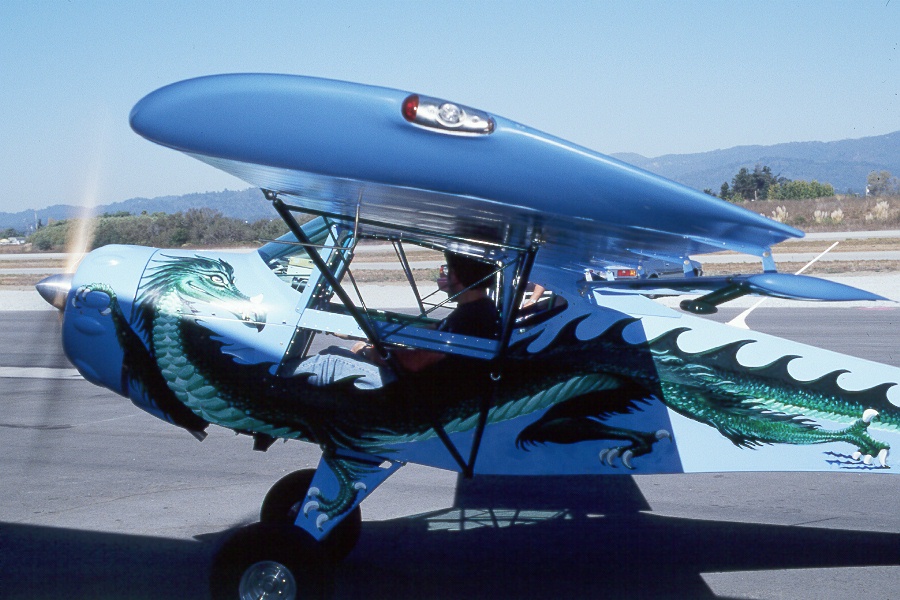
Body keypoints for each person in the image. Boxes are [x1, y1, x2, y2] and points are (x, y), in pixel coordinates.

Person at [294, 252, 500, 389]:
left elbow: (417, 361)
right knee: (337, 352)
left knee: (331, 362)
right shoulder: (476, 311)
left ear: (457, 276)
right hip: (427, 385)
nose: (446, 276)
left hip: (417, 392)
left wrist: (370, 352)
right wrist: (362, 334)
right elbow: (427, 331)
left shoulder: (472, 317)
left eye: (449, 271)